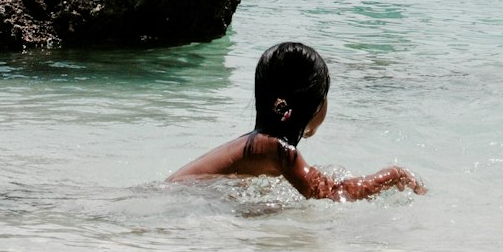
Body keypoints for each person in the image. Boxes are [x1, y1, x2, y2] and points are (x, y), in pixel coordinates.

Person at [167, 42, 426, 201]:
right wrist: (393, 175)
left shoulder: (257, 144)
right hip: (173, 202)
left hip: (168, 196)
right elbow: (335, 194)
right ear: (313, 105)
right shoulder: (276, 149)